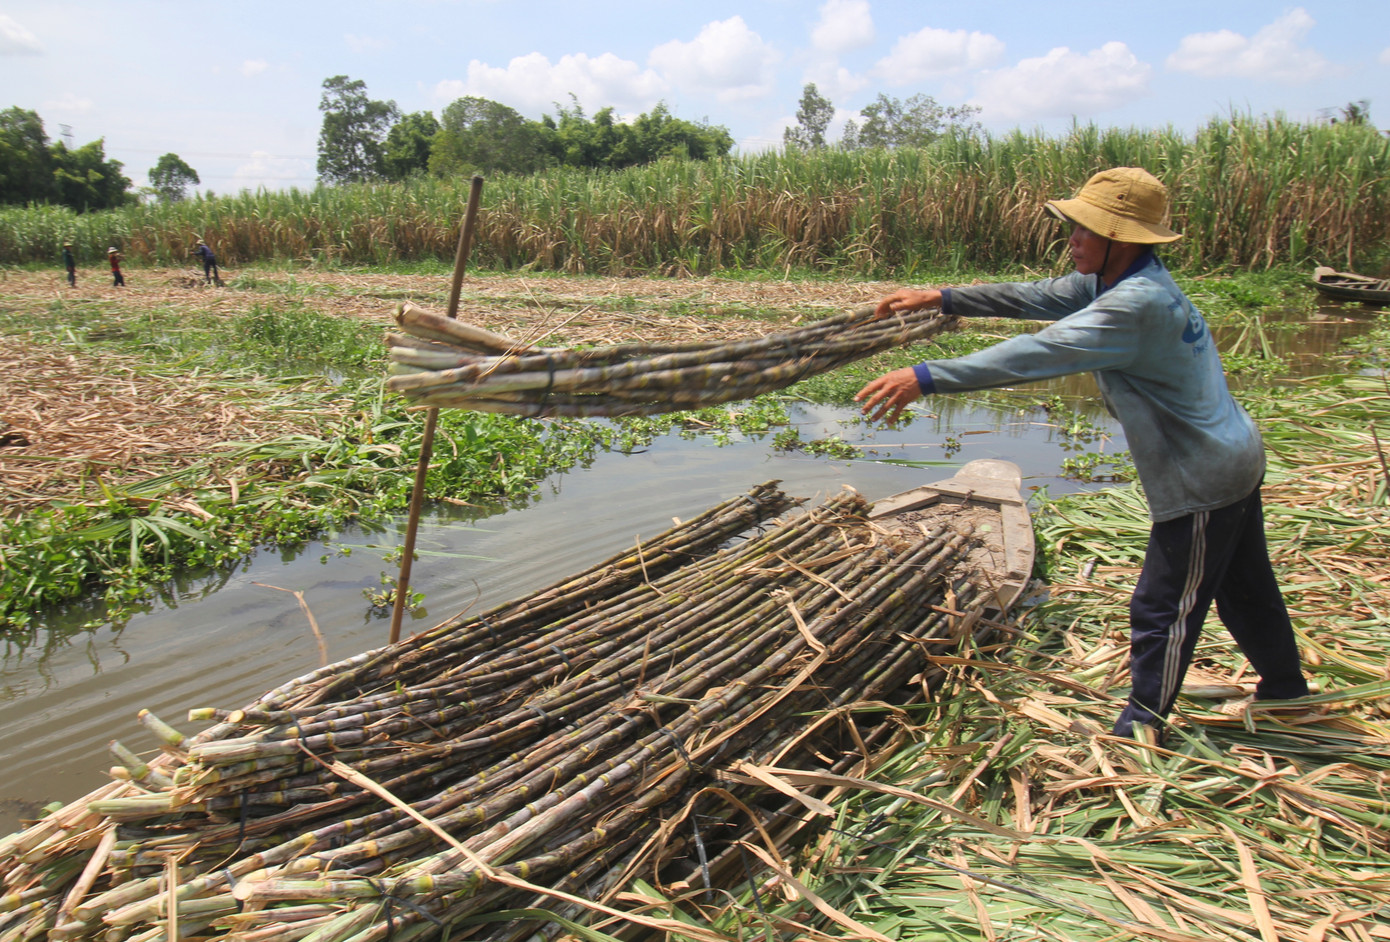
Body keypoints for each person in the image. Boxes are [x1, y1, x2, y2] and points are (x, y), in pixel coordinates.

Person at [855, 167, 1310, 741]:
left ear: (1120, 239)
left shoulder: (1136, 304)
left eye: (1083, 230)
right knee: (1244, 584)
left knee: (1163, 607)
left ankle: (1142, 727)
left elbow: (1040, 352)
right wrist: (943, 296)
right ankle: (1286, 691)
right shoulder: (1116, 282)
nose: (1071, 239)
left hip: (1205, 476)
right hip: (1234, 451)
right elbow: (1035, 298)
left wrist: (927, 376)